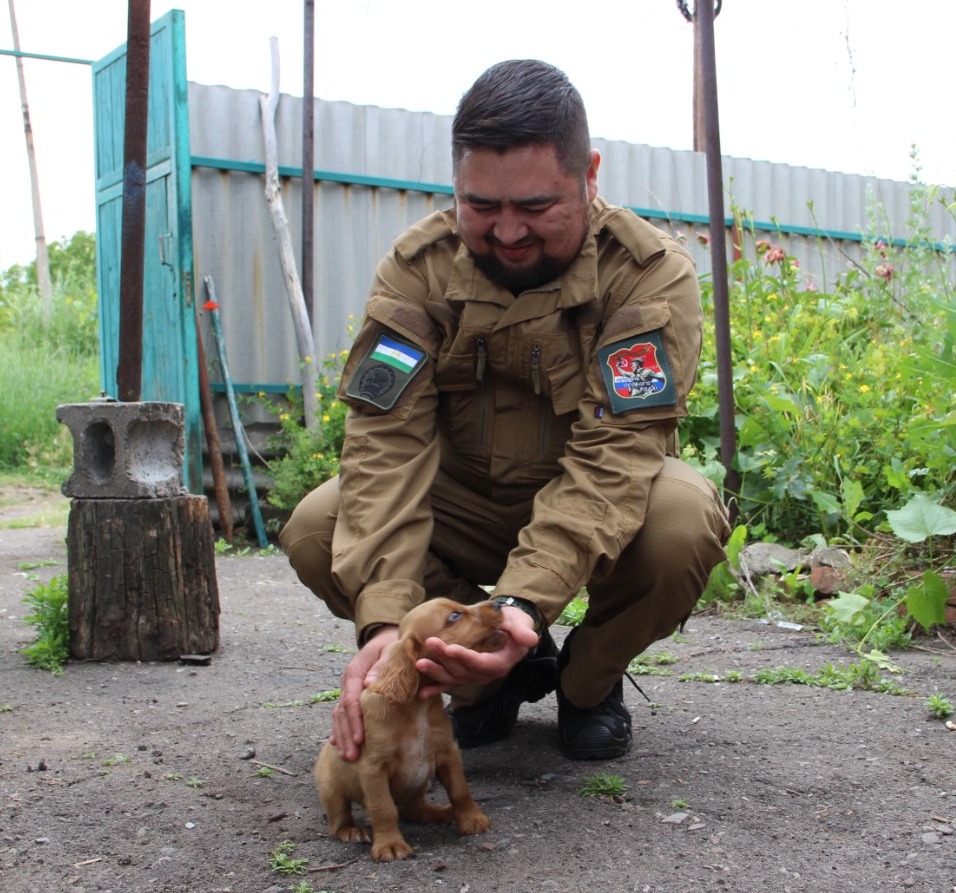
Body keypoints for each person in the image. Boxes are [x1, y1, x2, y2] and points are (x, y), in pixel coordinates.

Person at [279, 59, 730, 762]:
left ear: (590, 176)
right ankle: (486, 677)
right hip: (460, 504)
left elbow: (614, 459)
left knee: (683, 521)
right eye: (482, 206)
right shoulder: (418, 269)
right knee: (318, 528)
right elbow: (385, 445)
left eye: (537, 206)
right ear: (455, 185)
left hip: (598, 503)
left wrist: (522, 602)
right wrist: (389, 624)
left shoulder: (646, 274)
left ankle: (586, 683)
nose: (509, 232)